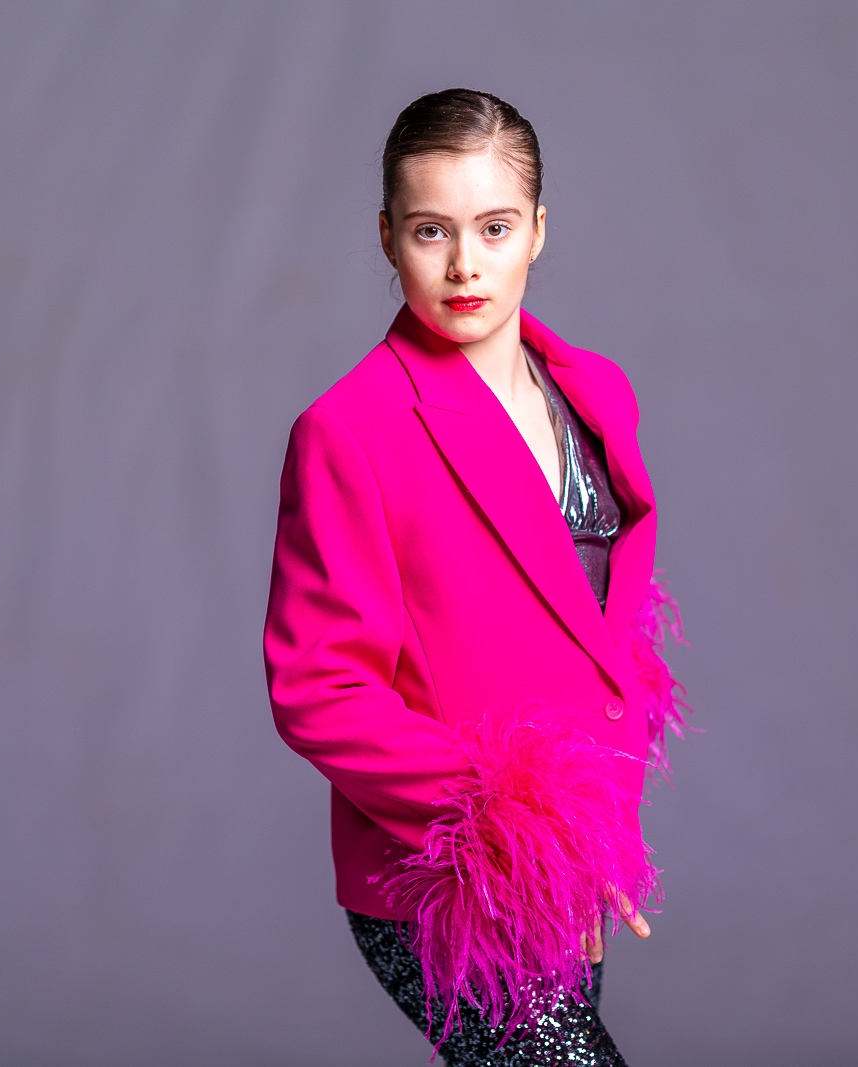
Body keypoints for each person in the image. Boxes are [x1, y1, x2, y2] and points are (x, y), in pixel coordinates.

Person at [263, 88, 686, 1066]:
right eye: (431, 230)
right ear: (387, 237)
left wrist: (583, 840)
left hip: (570, 874)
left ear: (537, 229)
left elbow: (592, 626)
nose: (464, 263)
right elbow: (319, 688)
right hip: (447, 877)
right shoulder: (350, 431)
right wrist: (510, 819)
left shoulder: (597, 390)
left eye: (494, 227)